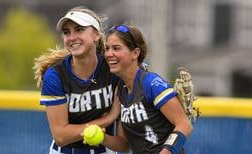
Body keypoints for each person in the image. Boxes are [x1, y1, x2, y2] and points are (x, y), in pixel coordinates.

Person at [33, 6, 120, 154]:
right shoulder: (55, 75)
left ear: (96, 35)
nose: (72, 37)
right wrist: (108, 118)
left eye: (79, 29)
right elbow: (60, 136)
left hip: (105, 150)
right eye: (67, 32)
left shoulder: (112, 66)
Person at [102, 24, 193, 154]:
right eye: (107, 48)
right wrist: (101, 138)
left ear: (135, 53)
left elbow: (185, 125)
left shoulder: (151, 83)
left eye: (116, 48)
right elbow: (124, 145)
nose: (109, 54)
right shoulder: (121, 89)